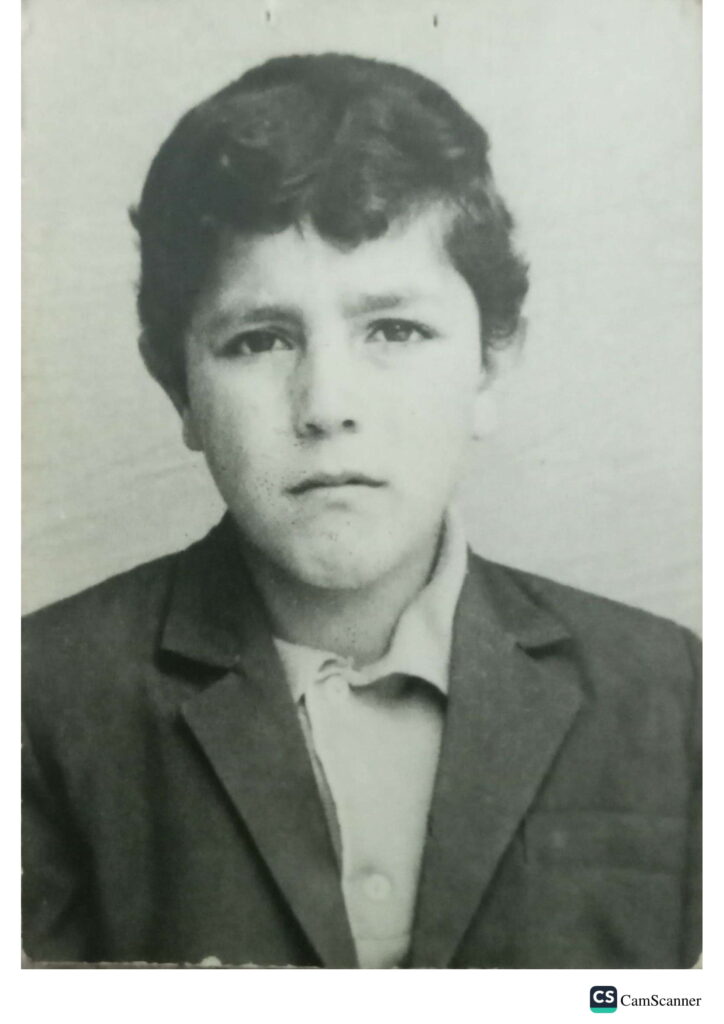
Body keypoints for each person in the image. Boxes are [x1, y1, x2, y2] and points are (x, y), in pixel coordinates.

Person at [22, 53, 701, 968]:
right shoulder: (38, 700)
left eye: (395, 329)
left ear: (489, 366)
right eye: (259, 340)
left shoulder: (672, 691)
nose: (327, 405)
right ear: (178, 387)